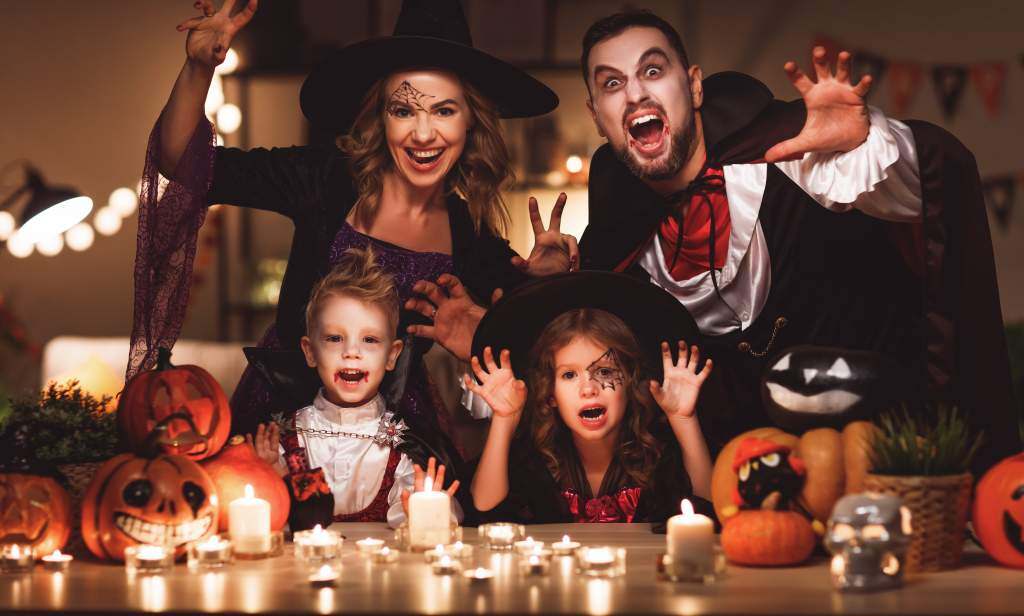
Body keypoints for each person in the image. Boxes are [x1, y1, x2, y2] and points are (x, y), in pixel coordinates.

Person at [128, 0, 575, 464]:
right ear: (381, 118)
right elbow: (183, 164)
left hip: (394, 441)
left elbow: (543, 340)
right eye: (404, 110)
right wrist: (200, 67)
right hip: (281, 421)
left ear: (470, 122)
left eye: (443, 111)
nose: (423, 134)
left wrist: (546, 279)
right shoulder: (323, 181)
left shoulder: (470, 235)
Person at [573, 10, 1019, 472]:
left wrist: (864, 143)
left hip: (874, 469)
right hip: (733, 492)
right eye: (611, 83)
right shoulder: (615, 238)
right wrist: (546, 286)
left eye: (652, 70)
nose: (635, 93)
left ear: (695, 86)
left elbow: (925, 192)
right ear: (597, 117)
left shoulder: (795, 152)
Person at [466, 272, 716, 526]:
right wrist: (504, 419)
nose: (588, 389)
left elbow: (710, 510)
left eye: (605, 372)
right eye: (569, 375)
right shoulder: (533, 461)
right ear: (550, 394)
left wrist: (684, 419)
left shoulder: (659, 456)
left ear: (629, 383)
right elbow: (484, 511)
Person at [248, 247, 461, 530]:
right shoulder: (285, 439)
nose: (351, 352)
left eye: (370, 340)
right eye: (335, 338)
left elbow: (433, 523)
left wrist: (423, 507)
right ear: (310, 352)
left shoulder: (404, 447)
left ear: (392, 355)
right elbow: (268, 522)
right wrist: (272, 475)